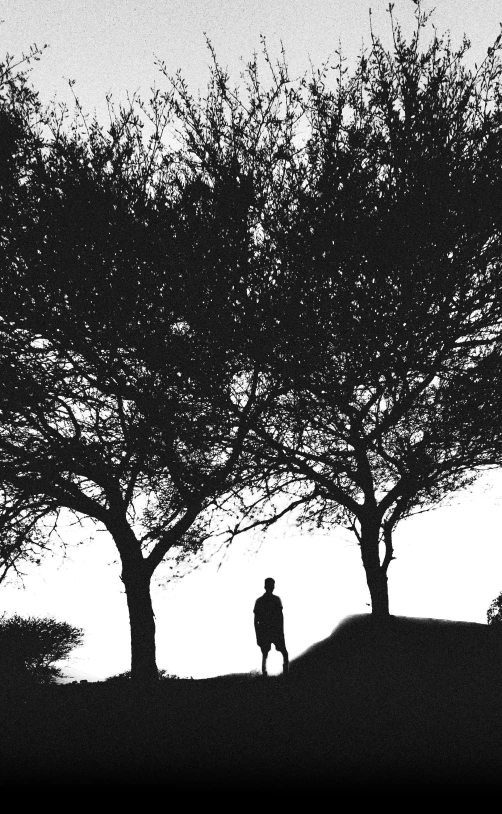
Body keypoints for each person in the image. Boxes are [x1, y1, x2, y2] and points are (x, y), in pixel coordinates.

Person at [254, 577, 289, 676]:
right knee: (267, 653)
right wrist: (258, 634)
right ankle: (266, 673)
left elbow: (280, 617)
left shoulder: (264, 601)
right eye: (271, 585)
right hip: (269, 630)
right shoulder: (264, 601)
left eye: (272, 585)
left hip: (272, 630)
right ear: (266, 586)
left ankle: (280, 672)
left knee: (274, 653)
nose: (272, 587)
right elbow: (256, 620)